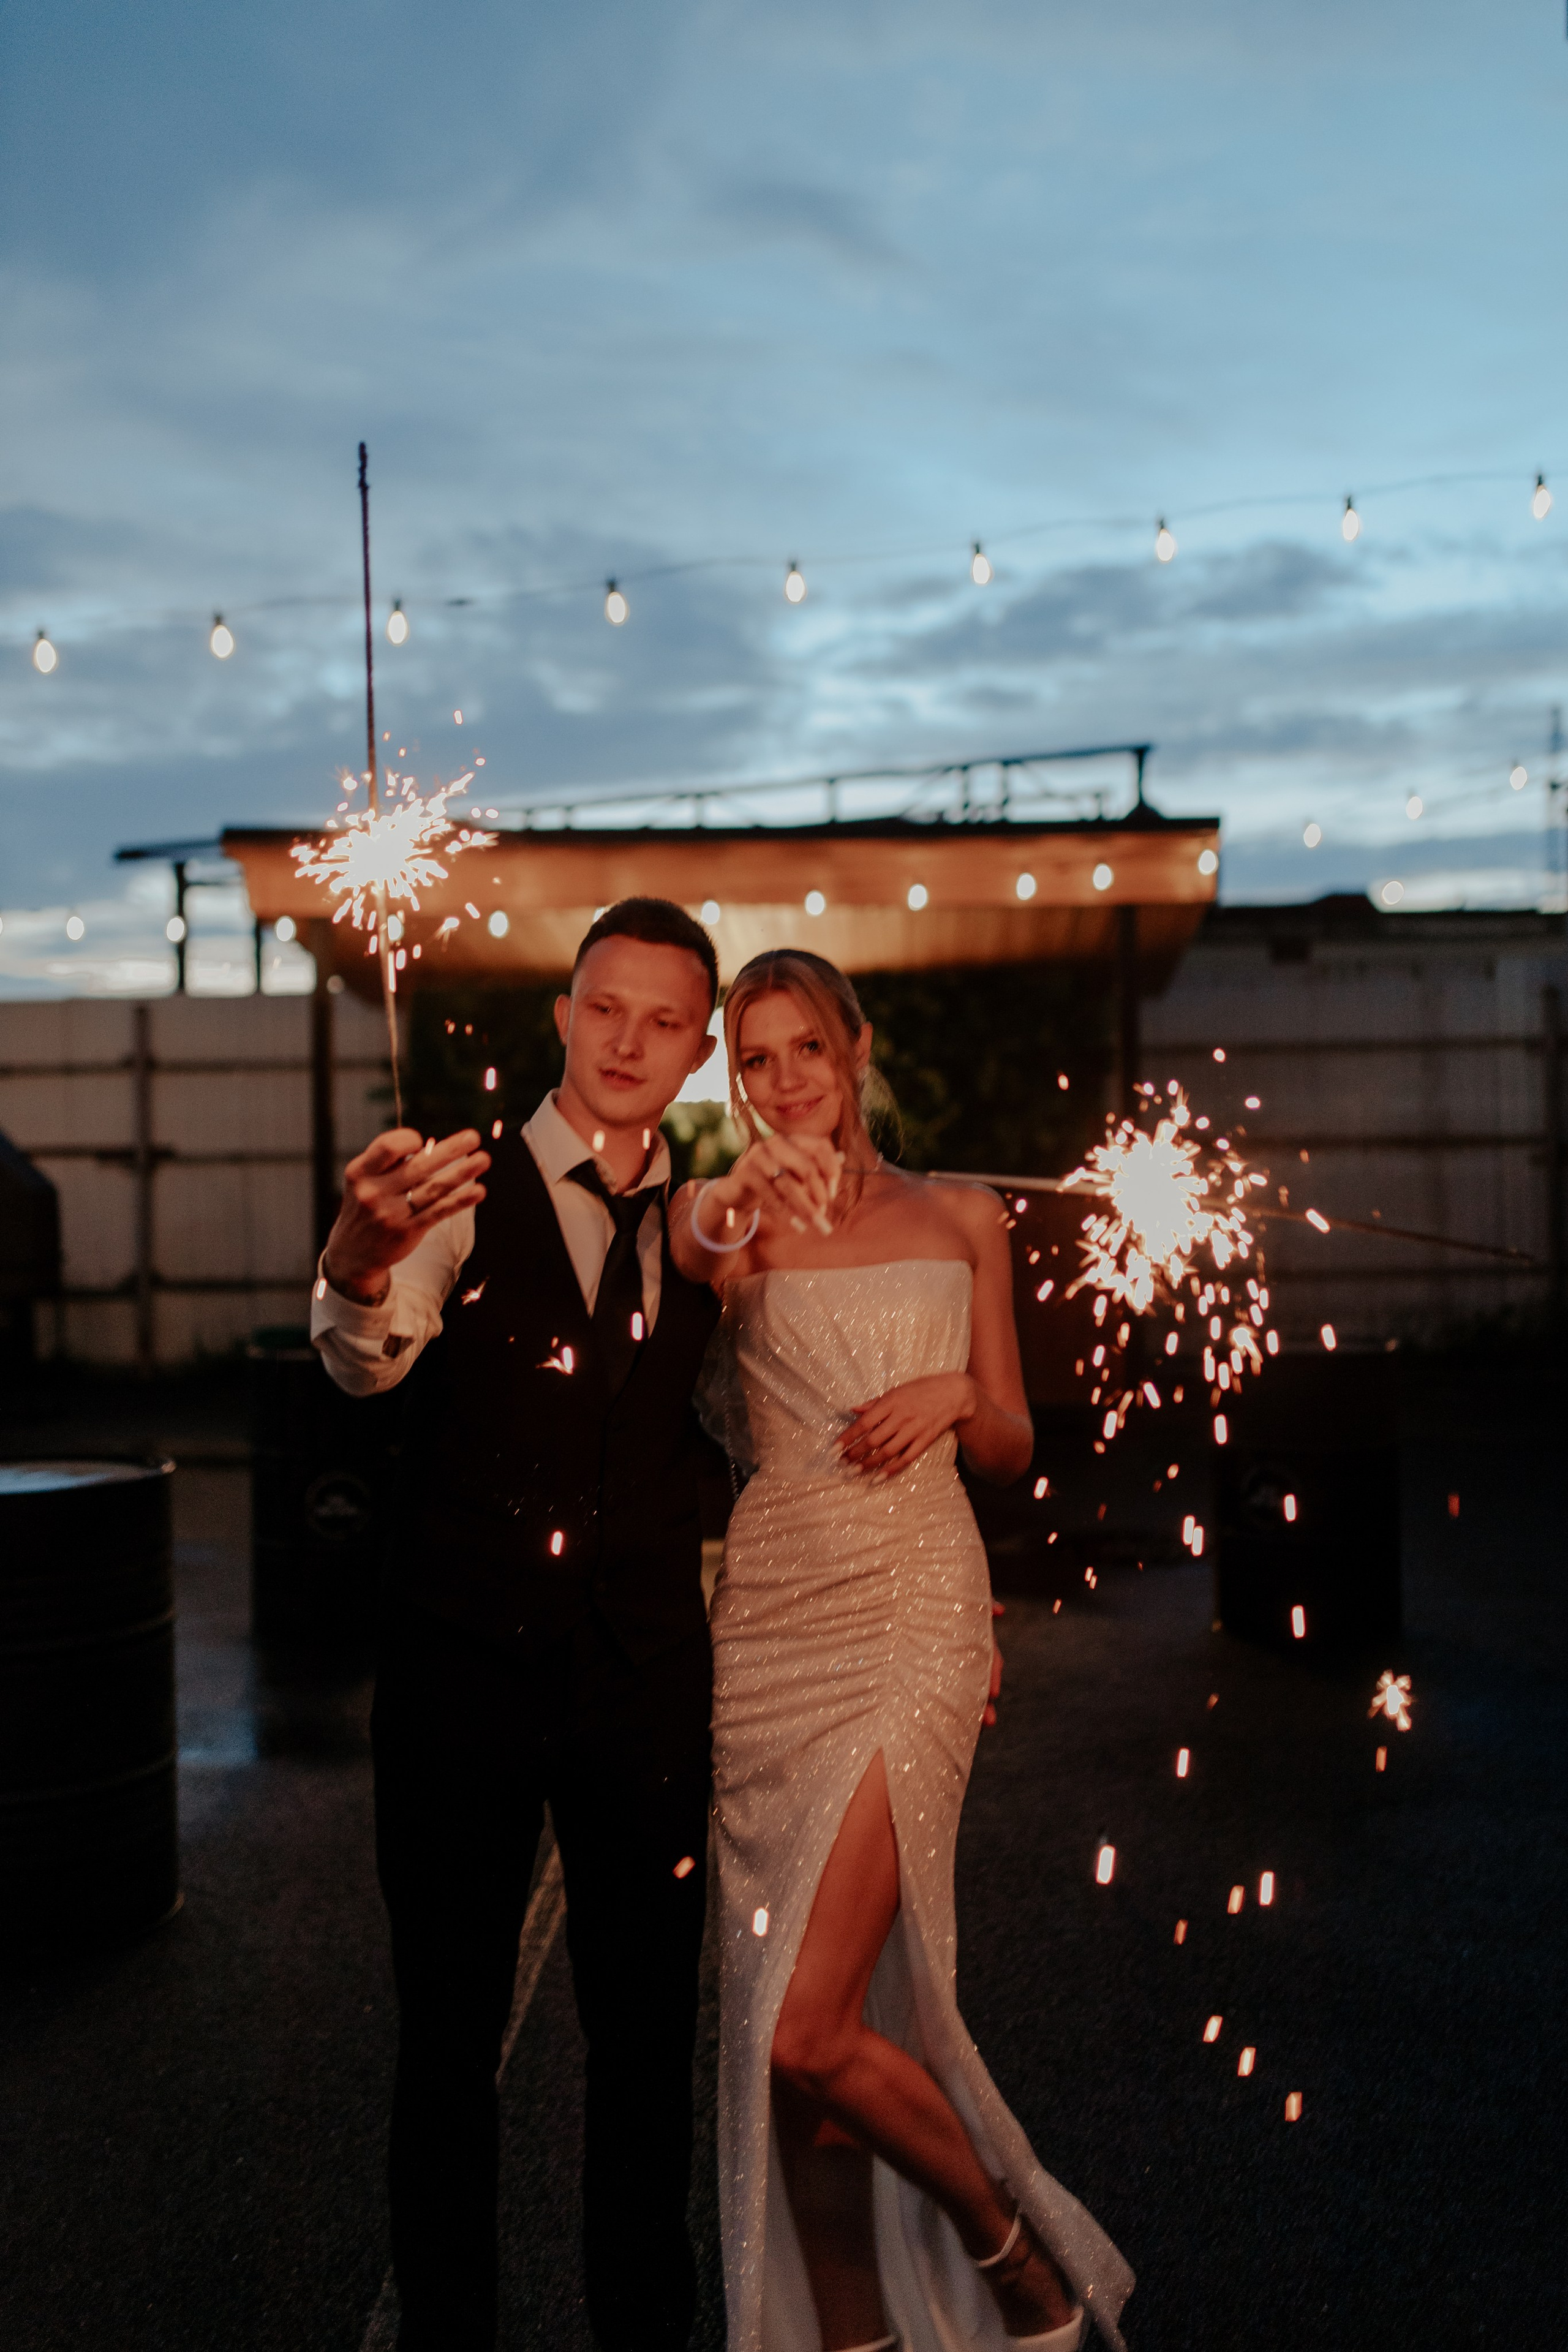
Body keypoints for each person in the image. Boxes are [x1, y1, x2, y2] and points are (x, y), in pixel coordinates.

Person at [668, 949, 1134, 2352]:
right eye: (752, 1060)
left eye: (804, 1047)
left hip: (916, 1604)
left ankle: (1019, 2260)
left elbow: (1010, 1440)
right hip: (770, 1625)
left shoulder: (964, 1214)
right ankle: (855, 2343)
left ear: (857, 1049)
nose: (783, 1081)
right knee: (779, 2048)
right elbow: (680, 1246)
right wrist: (724, 1199)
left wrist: (948, 1390)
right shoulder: (730, 1226)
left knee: (809, 2025)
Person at [311, 899, 726, 2352]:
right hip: (458, 1684)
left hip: (645, 1691)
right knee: (445, 2053)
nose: (626, 1041)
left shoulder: (707, 1226)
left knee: (647, 2054)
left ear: (700, 1047)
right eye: (604, 1006)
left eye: (662, 1019)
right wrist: (360, 1261)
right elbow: (370, 1356)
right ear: (563, 1010)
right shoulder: (455, 1189)